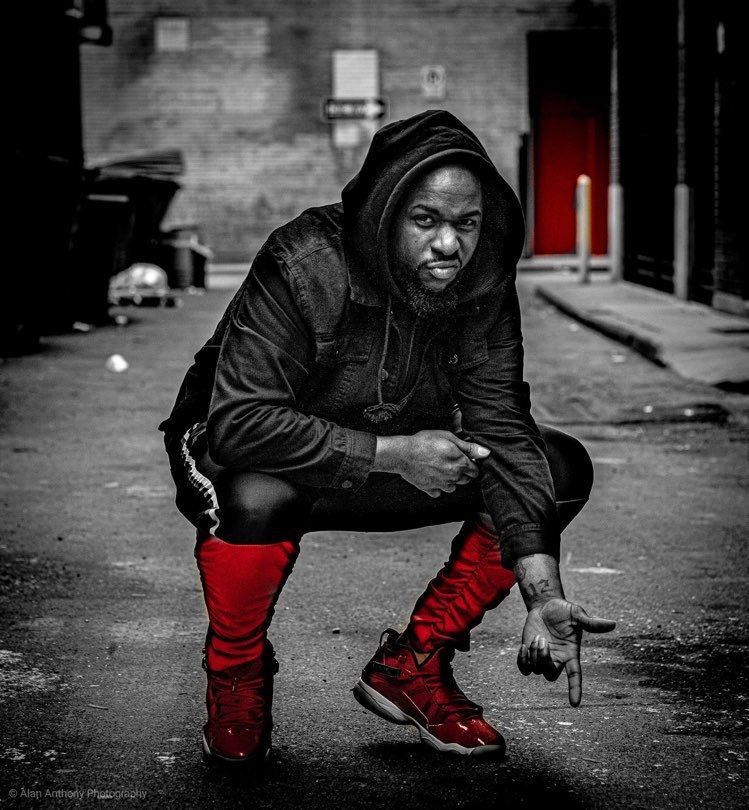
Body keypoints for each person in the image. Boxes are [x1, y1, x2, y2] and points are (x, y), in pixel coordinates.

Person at [160, 110, 615, 766]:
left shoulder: (479, 279)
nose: (449, 244)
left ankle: (415, 665)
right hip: (250, 458)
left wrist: (542, 593)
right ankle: (235, 673)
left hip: (392, 452)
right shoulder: (303, 262)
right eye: (426, 220)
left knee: (557, 466)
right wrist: (395, 455)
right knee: (255, 499)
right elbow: (241, 424)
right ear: (384, 213)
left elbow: (503, 430)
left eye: (466, 223)